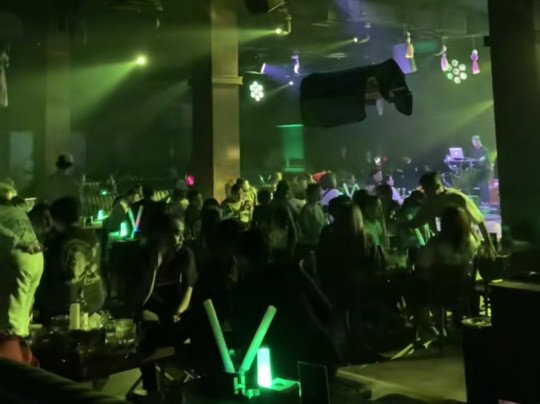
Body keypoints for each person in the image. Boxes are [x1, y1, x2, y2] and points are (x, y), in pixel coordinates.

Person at [233, 230, 339, 380]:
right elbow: (326, 309)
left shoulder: (243, 289)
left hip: (282, 366)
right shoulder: (292, 271)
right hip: (322, 357)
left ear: (240, 258)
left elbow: (245, 337)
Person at [0, 189, 43, 364]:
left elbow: (5, 236)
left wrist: (18, 243)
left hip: (16, 256)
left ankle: (12, 364)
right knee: (22, 318)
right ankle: (25, 357)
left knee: (7, 322)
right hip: (36, 258)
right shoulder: (11, 208)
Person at [410, 172, 496, 258]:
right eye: (425, 190)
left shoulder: (457, 198)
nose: (426, 194)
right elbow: (418, 221)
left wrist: (489, 244)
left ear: (437, 186)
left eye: (428, 190)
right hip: (446, 243)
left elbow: (479, 220)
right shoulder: (429, 202)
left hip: (466, 241)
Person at [45, 197, 105, 315]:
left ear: (56, 219)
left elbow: (52, 274)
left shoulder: (58, 241)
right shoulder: (92, 237)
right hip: (95, 297)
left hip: (69, 304)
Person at [471, 135, 491, 205]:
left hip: (484, 170)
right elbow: (473, 159)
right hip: (478, 171)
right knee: (480, 186)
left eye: (474, 142)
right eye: (473, 143)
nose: (474, 144)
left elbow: (483, 158)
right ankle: (482, 202)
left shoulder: (485, 149)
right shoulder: (474, 150)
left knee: (484, 186)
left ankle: (487, 202)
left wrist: (479, 160)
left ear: (478, 141)